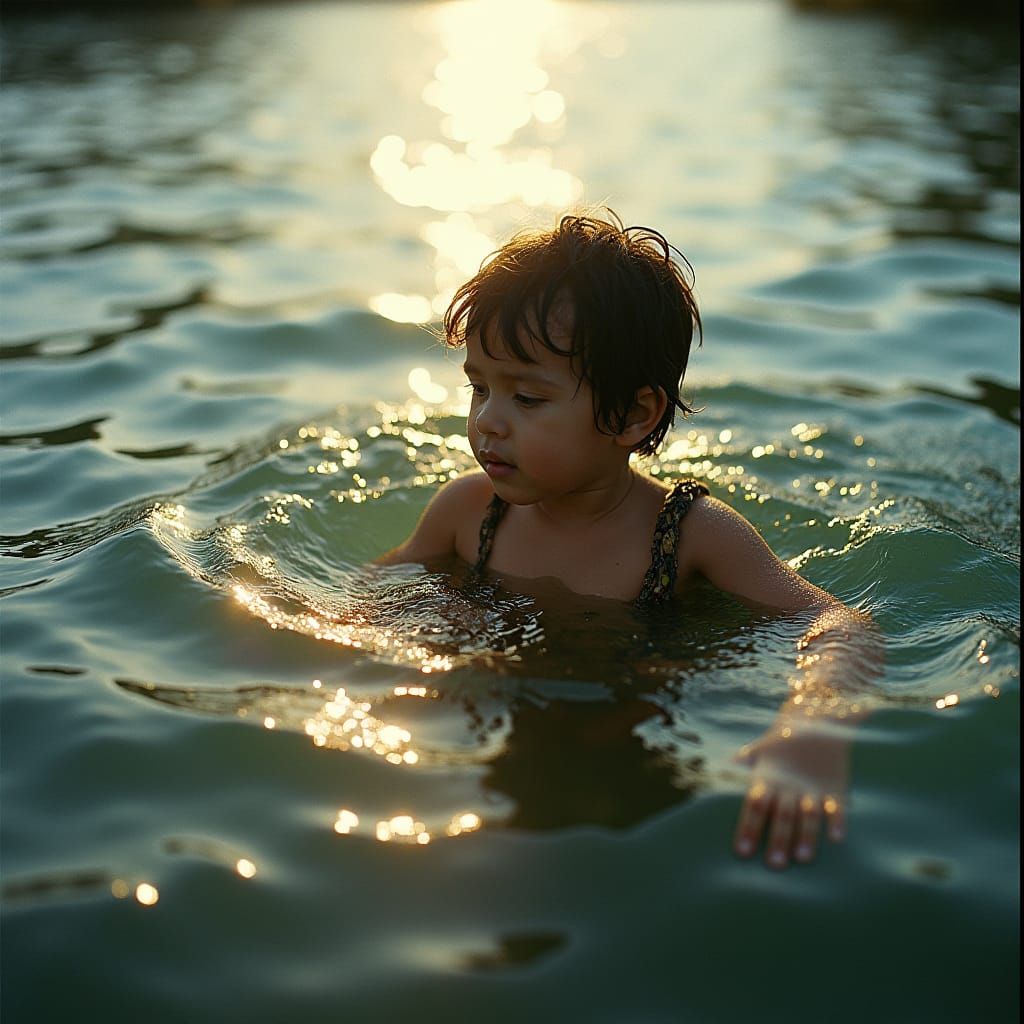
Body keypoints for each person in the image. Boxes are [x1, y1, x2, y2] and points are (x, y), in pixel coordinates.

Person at [378, 210, 882, 870]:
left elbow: (842, 625)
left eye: (527, 398)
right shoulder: (468, 513)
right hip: (507, 719)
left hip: (644, 720)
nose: (487, 423)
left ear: (633, 414)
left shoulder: (690, 535)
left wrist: (810, 730)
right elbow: (373, 598)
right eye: (479, 388)